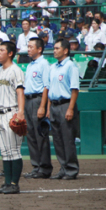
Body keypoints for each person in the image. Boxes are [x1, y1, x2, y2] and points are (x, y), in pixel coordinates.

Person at [0, 42, 25, 194]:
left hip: (12, 113)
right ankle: (7, 183)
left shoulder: (16, 70)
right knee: (5, 151)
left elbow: (20, 92)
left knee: (14, 151)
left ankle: (14, 184)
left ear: (10, 53)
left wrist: (21, 112)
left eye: (1, 50)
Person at [46, 39, 79, 180]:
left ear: (65, 50)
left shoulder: (71, 66)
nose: (54, 50)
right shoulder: (52, 67)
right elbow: (49, 90)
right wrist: (48, 109)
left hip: (65, 104)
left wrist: (70, 109)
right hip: (53, 105)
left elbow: (74, 89)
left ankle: (71, 169)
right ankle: (63, 168)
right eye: (54, 48)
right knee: (58, 140)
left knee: (67, 139)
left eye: (57, 48)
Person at [23, 37, 53, 179]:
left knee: (40, 135)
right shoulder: (30, 65)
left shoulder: (44, 64)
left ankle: (45, 168)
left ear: (39, 49)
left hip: (38, 99)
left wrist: (43, 106)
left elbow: (46, 86)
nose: (28, 49)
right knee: (31, 136)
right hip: (28, 101)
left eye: (31, 47)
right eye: (27, 46)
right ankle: (36, 166)